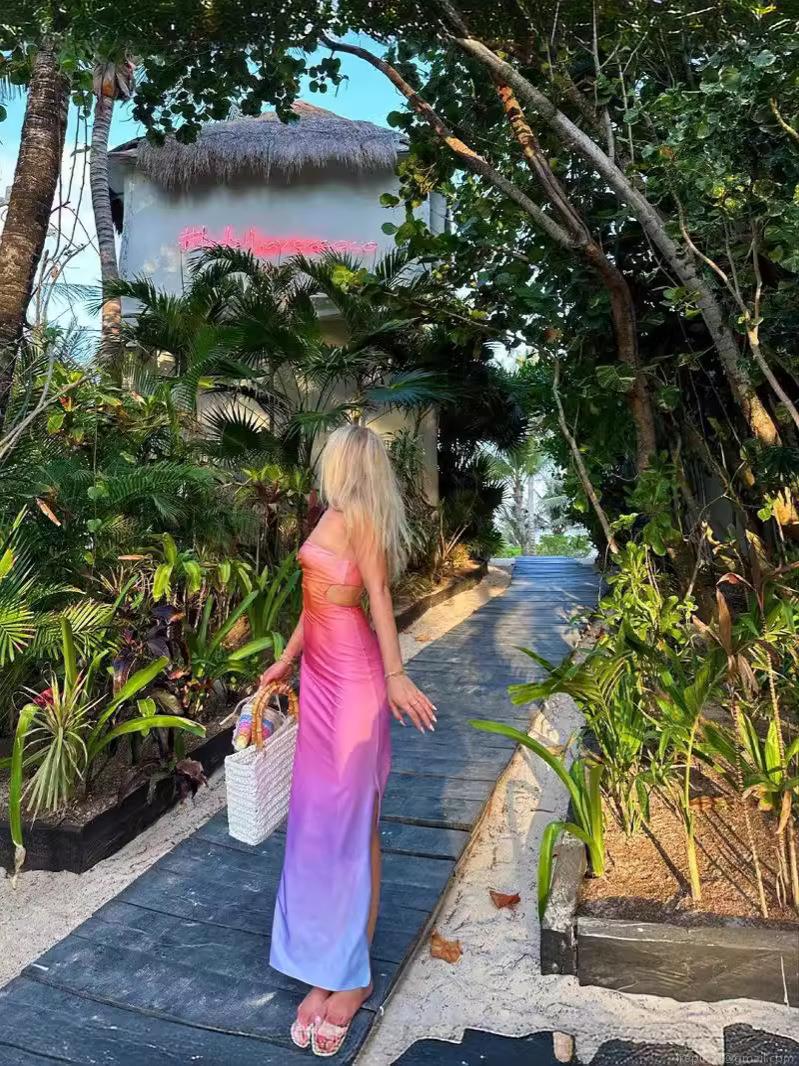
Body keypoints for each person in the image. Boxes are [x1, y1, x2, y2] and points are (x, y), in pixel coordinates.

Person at [260, 423, 436, 1058]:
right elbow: (314, 604)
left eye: (332, 459)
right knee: (316, 824)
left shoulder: (362, 521)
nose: (327, 467)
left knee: (354, 825)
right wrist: (285, 661)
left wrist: (395, 676)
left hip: (357, 682)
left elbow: (379, 597)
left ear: (347, 465)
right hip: (319, 680)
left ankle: (352, 976)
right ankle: (325, 966)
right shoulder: (327, 516)